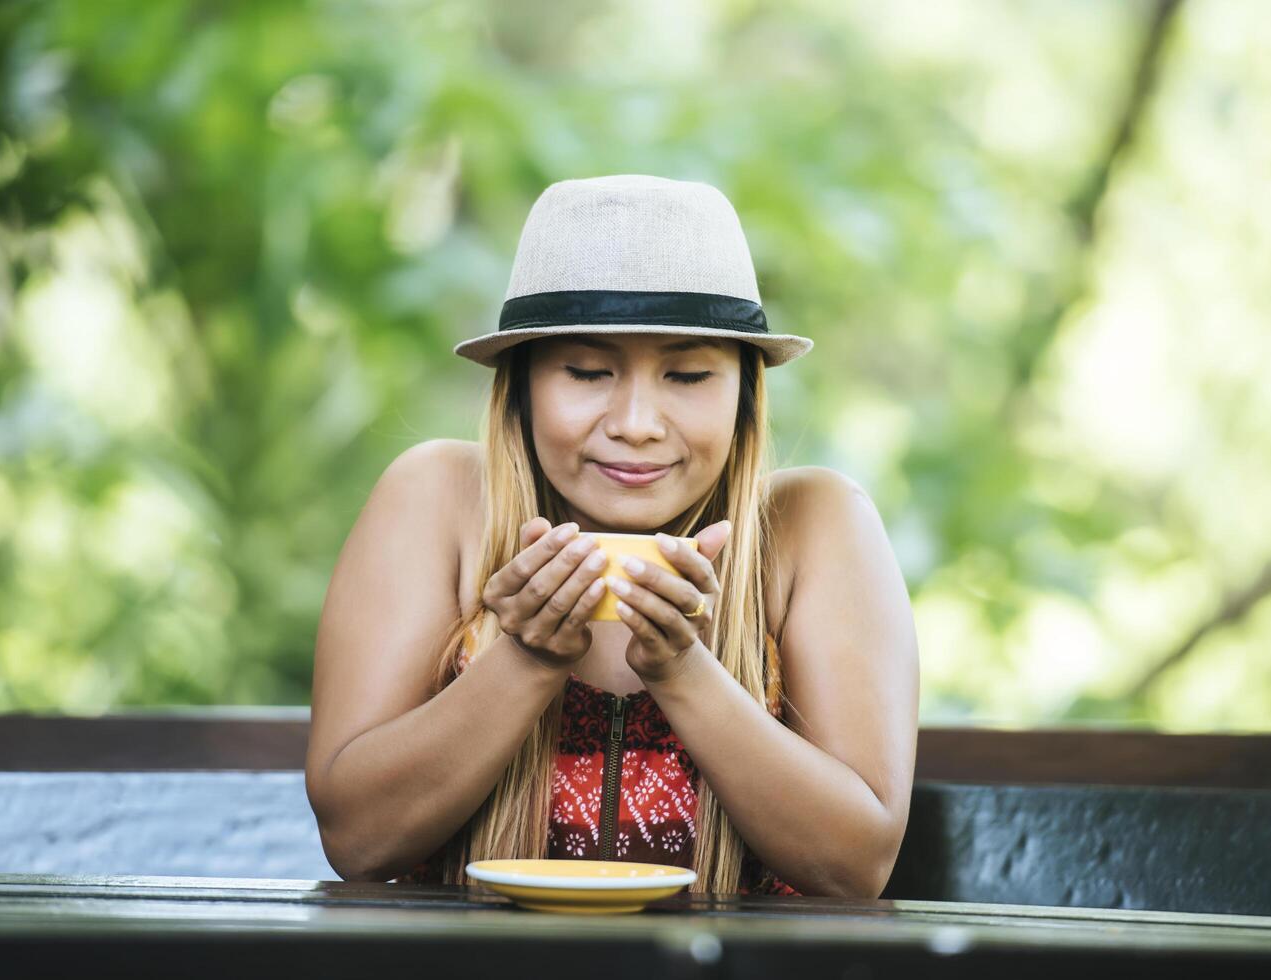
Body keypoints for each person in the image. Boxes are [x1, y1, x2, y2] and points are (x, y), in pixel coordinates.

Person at [305, 174, 919, 897]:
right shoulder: (436, 498)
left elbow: (852, 868)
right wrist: (525, 661)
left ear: (744, 393)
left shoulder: (814, 525)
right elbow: (358, 839)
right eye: (589, 371)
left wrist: (684, 672)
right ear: (523, 384)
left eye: (687, 375)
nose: (635, 422)